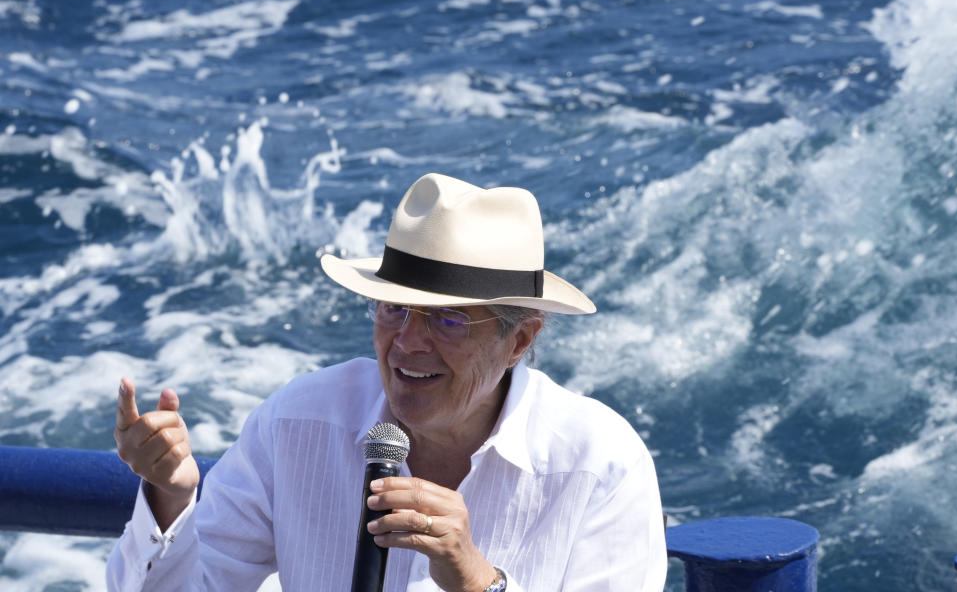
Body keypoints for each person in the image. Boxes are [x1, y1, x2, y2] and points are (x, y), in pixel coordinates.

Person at [108, 172, 667, 592]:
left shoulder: (600, 463)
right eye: (392, 309)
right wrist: (171, 497)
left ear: (519, 342)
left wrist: (478, 581)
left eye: (447, 320)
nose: (407, 342)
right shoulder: (294, 423)